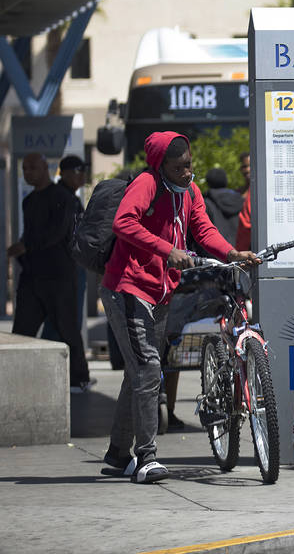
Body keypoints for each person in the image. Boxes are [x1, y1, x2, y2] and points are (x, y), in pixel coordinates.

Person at [100, 132, 259, 483]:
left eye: (190, 164)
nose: (188, 172)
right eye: (180, 167)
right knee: (148, 368)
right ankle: (146, 458)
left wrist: (231, 254)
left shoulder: (190, 192)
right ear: (161, 166)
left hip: (160, 291)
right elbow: (123, 222)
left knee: (138, 371)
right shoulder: (146, 183)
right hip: (127, 288)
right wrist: (165, 250)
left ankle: (116, 454)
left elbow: (203, 229)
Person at [7, 152, 93, 392]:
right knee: (22, 332)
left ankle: (79, 378)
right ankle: (16, 379)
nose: (27, 173)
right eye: (24, 169)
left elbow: (57, 233)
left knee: (67, 327)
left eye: (32, 168)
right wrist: (23, 251)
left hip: (60, 276)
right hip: (33, 277)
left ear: (45, 168)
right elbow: (30, 234)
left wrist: (25, 246)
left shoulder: (63, 198)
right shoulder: (29, 201)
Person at [41, 155, 89, 345]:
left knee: (66, 320)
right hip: (65, 267)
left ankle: (68, 370)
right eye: (80, 172)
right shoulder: (61, 197)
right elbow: (60, 234)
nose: (83, 176)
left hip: (71, 266)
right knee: (62, 321)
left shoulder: (70, 197)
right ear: (67, 174)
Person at [202, 167, 242, 242]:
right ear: (225, 181)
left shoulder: (206, 203)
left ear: (208, 182)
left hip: (216, 250)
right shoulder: (240, 200)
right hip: (240, 249)